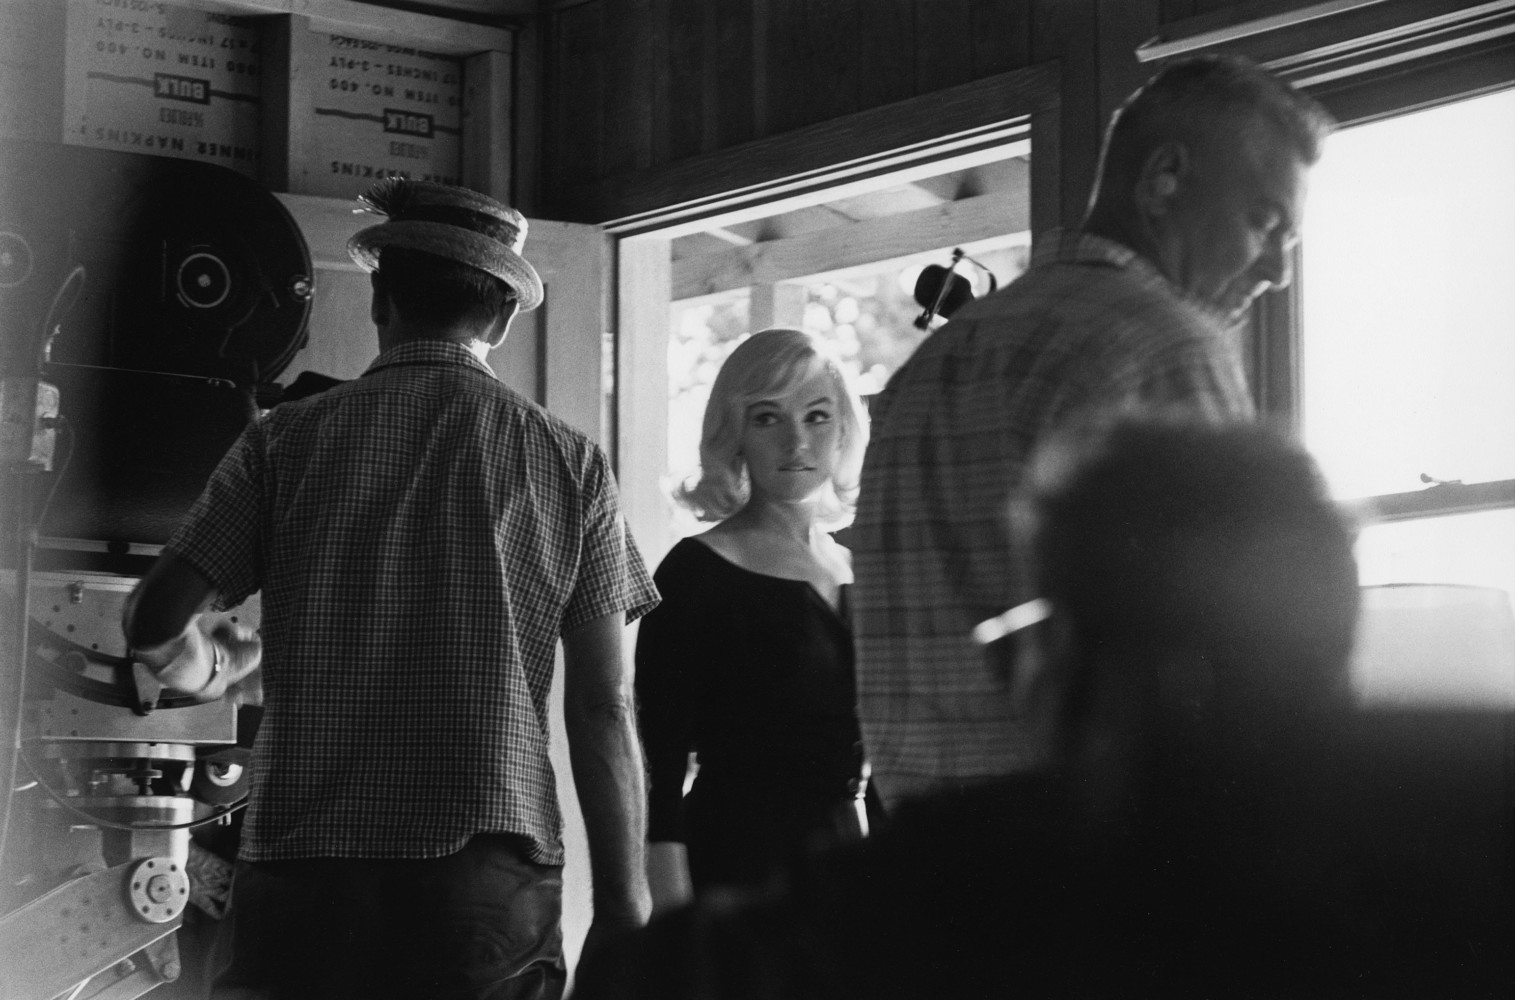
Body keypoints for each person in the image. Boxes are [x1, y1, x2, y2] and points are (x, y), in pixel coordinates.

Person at [574, 418, 1514, 998]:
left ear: (1079, 666)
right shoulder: (1465, 826)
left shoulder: (984, 871)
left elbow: (647, 979)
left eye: (1033, 627)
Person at [121, 179, 659, 1000]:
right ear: (502, 318)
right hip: (485, 883)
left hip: (303, 876)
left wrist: (212, 666)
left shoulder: (283, 441)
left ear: (382, 298)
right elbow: (602, 705)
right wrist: (624, 906)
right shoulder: (570, 462)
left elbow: (155, 618)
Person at [851, 54, 1337, 806]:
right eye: (1265, 222)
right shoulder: (1166, 346)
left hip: (919, 848)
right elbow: (1239, 654)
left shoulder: (926, 368)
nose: (1278, 269)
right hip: (1096, 849)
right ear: (1163, 179)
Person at [635, 327, 878, 911]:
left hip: (852, 868)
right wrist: (677, 929)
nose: (797, 440)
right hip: (738, 872)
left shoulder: (863, 568)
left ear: (844, 429)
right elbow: (658, 776)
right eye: (768, 418)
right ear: (735, 433)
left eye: (817, 416)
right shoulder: (694, 572)